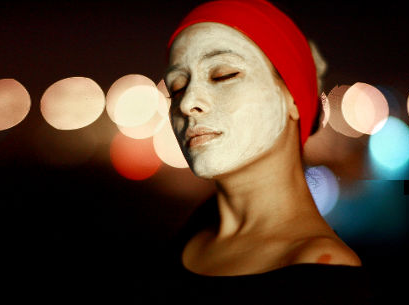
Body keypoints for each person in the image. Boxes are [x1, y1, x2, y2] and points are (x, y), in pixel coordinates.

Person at [159, 0, 374, 303]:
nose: (186, 102)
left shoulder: (326, 277)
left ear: (293, 98)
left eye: (223, 74)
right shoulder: (187, 234)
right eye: (177, 86)